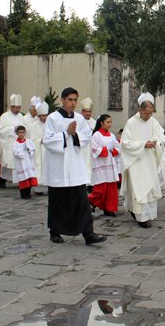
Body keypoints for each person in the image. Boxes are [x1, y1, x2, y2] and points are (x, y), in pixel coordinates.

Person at [42, 87, 106, 245]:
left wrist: (75, 134)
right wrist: (66, 133)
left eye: (75, 100)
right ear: (63, 100)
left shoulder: (79, 118)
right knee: (58, 201)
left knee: (82, 201)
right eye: (70, 99)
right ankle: (55, 231)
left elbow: (86, 136)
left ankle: (88, 233)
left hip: (75, 165)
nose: (73, 103)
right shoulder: (53, 118)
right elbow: (48, 140)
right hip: (59, 166)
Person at [120, 93, 165, 228]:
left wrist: (157, 142)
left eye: (150, 114)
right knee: (138, 189)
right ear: (140, 110)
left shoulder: (153, 122)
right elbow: (126, 143)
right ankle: (141, 217)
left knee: (149, 188)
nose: (148, 116)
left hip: (150, 160)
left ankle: (147, 214)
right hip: (136, 161)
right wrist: (143, 144)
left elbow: (161, 136)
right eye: (146, 113)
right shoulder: (131, 123)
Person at [88, 114, 121, 216]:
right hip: (100, 165)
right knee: (101, 188)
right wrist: (106, 149)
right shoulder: (96, 135)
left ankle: (109, 208)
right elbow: (94, 150)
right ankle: (90, 202)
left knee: (111, 188)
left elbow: (118, 148)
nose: (109, 124)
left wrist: (113, 149)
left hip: (110, 164)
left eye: (110, 122)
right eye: (107, 122)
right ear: (101, 123)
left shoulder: (111, 135)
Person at [0, 94, 25, 188]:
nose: (17, 110)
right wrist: (12, 129)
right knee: (8, 162)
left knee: (18, 163)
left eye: (19, 108)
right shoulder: (5, 116)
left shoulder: (21, 116)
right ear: (11, 107)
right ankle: (2, 179)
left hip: (19, 143)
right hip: (9, 142)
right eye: (16, 108)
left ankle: (20, 180)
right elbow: (0, 130)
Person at [28, 101, 49, 196]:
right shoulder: (33, 126)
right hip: (38, 150)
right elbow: (31, 139)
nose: (44, 118)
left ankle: (48, 186)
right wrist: (40, 140)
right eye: (42, 116)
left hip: (48, 150)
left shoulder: (50, 124)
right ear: (39, 116)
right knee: (38, 167)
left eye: (46, 115)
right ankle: (38, 188)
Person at [13, 125, 38, 199]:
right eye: (20, 133)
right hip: (21, 163)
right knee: (23, 178)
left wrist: (29, 149)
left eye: (23, 132)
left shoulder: (28, 141)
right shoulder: (15, 143)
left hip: (28, 162)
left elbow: (33, 149)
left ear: (25, 133)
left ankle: (28, 192)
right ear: (17, 133)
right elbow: (15, 153)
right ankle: (23, 194)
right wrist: (21, 150)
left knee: (29, 177)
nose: (21, 134)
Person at [80, 97, 96, 192]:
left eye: (89, 111)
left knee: (91, 165)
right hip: (83, 148)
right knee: (83, 164)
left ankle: (91, 184)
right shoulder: (78, 121)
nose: (88, 113)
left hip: (92, 148)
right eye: (86, 111)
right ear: (82, 112)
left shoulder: (94, 122)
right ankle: (83, 184)